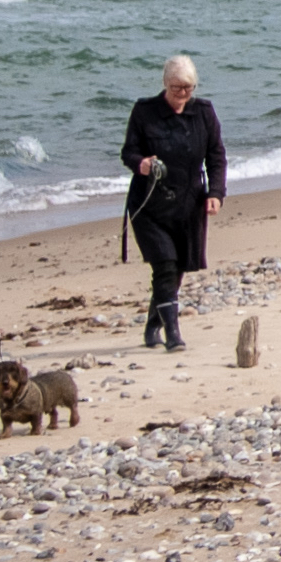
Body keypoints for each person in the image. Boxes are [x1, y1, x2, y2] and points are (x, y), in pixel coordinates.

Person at [120, 54, 232, 351]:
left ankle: (153, 324)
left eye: (188, 88)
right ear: (165, 84)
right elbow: (128, 152)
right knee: (165, 265)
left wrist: (216, 193)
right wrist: (141, 164)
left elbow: (216, 157)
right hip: (149, 205)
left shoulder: (204, 113)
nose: (183, 94)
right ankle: (173, 333)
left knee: (178, 267)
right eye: (177, 88)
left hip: (188, 203)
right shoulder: (145, 112)